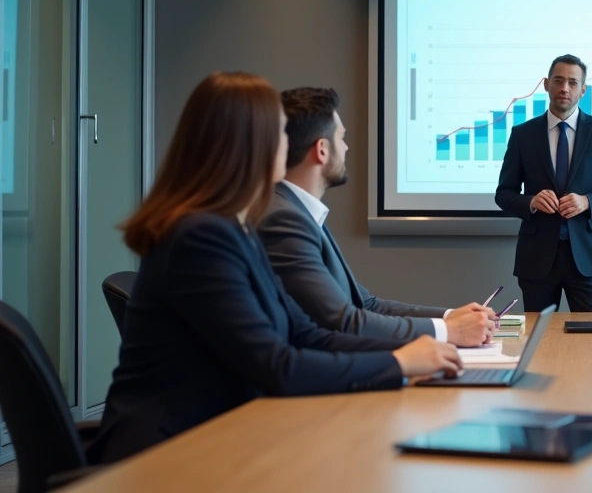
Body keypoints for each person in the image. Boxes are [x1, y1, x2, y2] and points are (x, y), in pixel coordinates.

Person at [89, 72, 461, 464]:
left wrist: (419, 351)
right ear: (254, 144)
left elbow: (307, 335)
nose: (287, 144)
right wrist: (399, 362)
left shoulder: (237, 230)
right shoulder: (199, 238)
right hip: (166, 454)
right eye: (279, 133)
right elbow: (277, 366)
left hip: (218, 434)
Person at [258, 87, 495, 346]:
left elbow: (366, 305)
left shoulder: (300, 212)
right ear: (322, 150)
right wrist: (448, 331)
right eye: (341, 138)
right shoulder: (284, 219)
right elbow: (344, 322)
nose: (346, 148)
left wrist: (450, 317)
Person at [495, 54, 592, 312]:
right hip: (537, 258)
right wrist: (531, 202)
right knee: (539, 335)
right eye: (558, 81)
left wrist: (588, 201)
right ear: (546, 84)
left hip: (589, 257)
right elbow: (504, 193)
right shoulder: (522, 135)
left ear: (583, 90)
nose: (564, 88)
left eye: (572, 82)